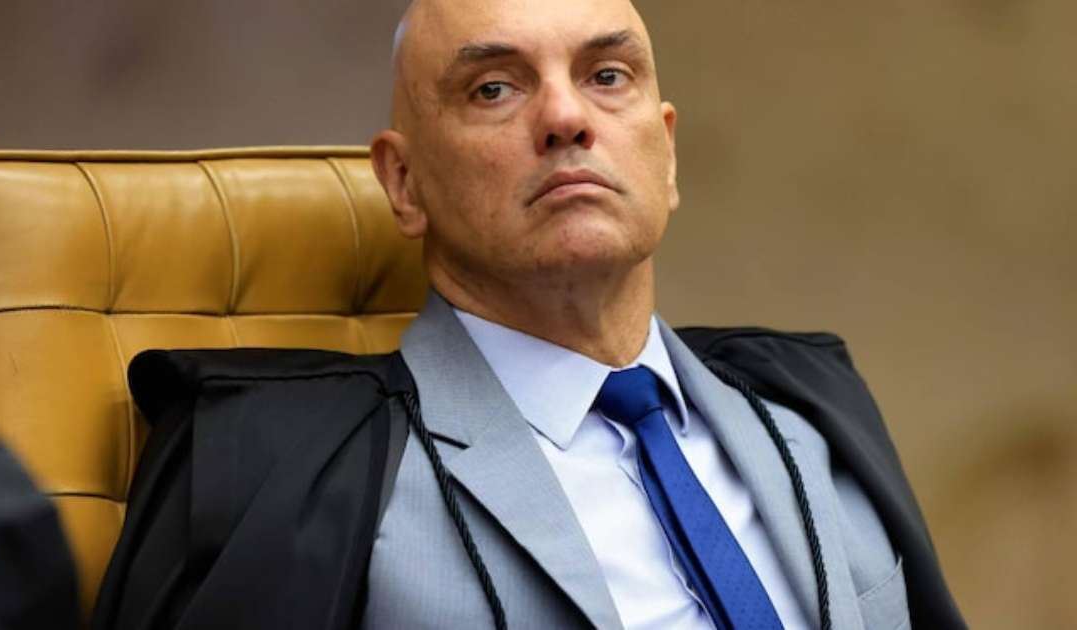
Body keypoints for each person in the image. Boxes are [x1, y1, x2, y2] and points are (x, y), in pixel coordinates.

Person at [95, 1, 965, 628]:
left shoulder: (811, 412)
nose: (565, 117)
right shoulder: (276, 465)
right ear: (404, 182)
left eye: (607, 76)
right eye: (493, 89)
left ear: (666, 153)